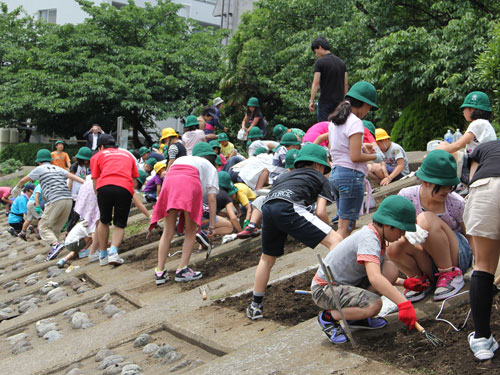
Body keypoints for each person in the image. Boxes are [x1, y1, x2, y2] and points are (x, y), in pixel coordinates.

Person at [247, 144, 343, 320]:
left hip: (268, 206)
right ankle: (332, 287)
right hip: (290, 206)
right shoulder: (321, 179)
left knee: (267, 258)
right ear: (318, 165)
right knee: (337, 241)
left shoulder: (285, 176)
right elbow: (321, 212)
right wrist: (329, 232)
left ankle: (255, 306)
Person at [312, 195, 419, 344]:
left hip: (347, 284)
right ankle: (329, 317)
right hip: (326, 289)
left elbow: (381, 275)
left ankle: (356, 319)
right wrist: (403, 303)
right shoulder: (369, 239)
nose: (402, 235)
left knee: (390, 269)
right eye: (401, 230)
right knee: (374, 305)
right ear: (388, 225)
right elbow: (375, 278)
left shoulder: (378, 236)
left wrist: (404, 283)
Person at [387, 150, 472, 302]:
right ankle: (420, 281)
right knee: (393, 246)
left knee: (425, 219)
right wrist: (407, 231)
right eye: (441, 186)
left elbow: (469, 235)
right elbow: (391, 229)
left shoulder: (456, 202)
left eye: (449, 186)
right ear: (425, 182)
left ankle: (450, 274)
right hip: (426, 256)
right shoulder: (407, 197)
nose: (446, 190)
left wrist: (479, 266)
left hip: (455, 254)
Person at [150, 142, 218, 285]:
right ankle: (182, 269)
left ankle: (160, 271)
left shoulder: (184, 159)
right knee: (191, 231)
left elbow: (168, 174)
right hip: (189, 181)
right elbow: (211, 198)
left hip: (170, 181)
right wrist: (212, 225)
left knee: (168, 231)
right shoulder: (210, 167)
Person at [329, 81, 383, 238]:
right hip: (350, 177)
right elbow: (355, 157)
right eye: (369, 107)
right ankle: (334, 261)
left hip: (336, 175)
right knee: (345, 229)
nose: (368, 111)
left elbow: (337, 148)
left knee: (343, 225)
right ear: (364, 104)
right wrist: (375, 156)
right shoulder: (355, 122)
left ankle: (338, 260)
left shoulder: (335, 120)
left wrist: (361, 146)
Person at [464, 140, 500, 360]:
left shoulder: (485, 148)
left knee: (484, 266)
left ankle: (482, 340)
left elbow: (471, 179)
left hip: (485, 189)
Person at [12, 149, 85, 259]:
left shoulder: (40, 169)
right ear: (50, 160)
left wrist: (16, 189)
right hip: (68, 200)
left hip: (55, 200)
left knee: (43, 227)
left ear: (38, 161)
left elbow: (23, 180)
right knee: (55, 228)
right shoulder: (58, 168)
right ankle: (54, 251)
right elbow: (72, 177)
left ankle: (55, 245)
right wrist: (86, 183)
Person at [91, 134, 139, 266]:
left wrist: (98, 194)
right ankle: (113, 252)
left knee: (104, 220)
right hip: (124, 188)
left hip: (104, 188)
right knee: (119, 223)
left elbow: (95, 178)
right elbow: (135, 179)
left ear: (101, 147)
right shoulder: (128, 155)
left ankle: (102, 255)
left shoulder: (98, 156)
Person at [437, 91, 496, 183]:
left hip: (477, 163)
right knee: (444, 144)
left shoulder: (477, 123)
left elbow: (457, 145)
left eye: (464, 109)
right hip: (483, 162)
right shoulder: (485, 124)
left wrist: (434, 152)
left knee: (442, 148)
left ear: (472, 109)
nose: (463, 112)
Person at [309, 37, 348, 122]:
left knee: (324, 128)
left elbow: (316, 83)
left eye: (316, 52)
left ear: (320, 47)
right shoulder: (341, 63)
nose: (316, 55)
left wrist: (311, 101)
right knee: (338, 127)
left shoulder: (319, 62)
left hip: (325, 102)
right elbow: (345, 83)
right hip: (339, 103)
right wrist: (346, 101)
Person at [67, 146, 92, 232]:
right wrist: (69, 190)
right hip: (73, 193)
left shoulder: (84, 167)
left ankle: (70, 231)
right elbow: (70, 179)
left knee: (77, 214)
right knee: (73, 215)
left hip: (80, 193)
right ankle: (68, 232)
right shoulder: (75, 166)